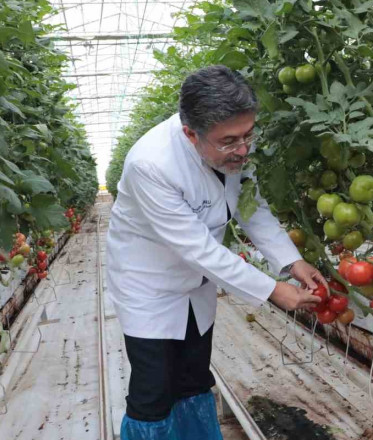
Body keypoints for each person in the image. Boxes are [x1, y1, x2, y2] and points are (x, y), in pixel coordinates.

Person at [105, 65, 325, 440]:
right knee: (153, 391)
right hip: (150, 288)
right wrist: (274, 290)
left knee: (193, 377)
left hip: (197, 285)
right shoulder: (151, 164)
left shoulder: (232, 150)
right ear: (191, 133)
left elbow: (251, 207)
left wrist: (292, 261)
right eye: (229, 141)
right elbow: (199, 250)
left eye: (248, 135)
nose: (242, 150)